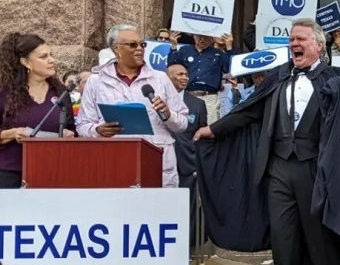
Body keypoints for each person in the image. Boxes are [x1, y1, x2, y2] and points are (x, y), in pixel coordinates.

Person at [193, 18, 340, 265]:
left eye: (301, 39)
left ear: (318, 45)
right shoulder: (278, 78)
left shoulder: (336, 77)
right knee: (283, 239)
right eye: (291, 40)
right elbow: (249, 110)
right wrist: (213, 130)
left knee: (320, 237)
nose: (294, 44)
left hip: (316, 169)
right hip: (279, 169)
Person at [77, 24, 189, 187]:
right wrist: (97, 130)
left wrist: (168, 114)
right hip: (113, 161)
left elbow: (183, 123)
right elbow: (82, 124)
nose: (140, 49)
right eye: (132, 44)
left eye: (142, 44)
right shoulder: (96, 81)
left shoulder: (160, 79)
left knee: (157, 211)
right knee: (115, 211)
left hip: (156, 162)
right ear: (116, 49)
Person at [0, 33, 76, 188]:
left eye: (51, 55)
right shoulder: (4, 92)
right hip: (9, 173)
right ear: (26, 62)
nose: (51, 60)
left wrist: (69, 134)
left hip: (51, 172)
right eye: (43, 56)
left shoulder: (60, 92)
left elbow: (71, 128)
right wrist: (12, 133)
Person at [167, 63, 208, 265]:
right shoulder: (156, 99)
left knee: (184, 230)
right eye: (178, 74)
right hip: (161, 170)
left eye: (185, 74)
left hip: (188, 173)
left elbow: (200, 138)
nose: (184, 78)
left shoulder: (197, 105)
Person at [167, 31, 235, 124]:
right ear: (194, 36)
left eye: (206, 37)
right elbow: (172, 66)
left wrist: (229, 46)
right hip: (189, 96)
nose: (202, 39)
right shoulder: (185, 50)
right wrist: (173, 46)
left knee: (210, 128)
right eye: (199, 36)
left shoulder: (218, 54)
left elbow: (231, 68)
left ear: (212, 39)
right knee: (187, 127)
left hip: (210, 98)